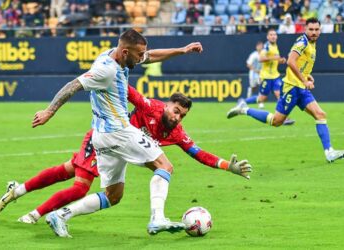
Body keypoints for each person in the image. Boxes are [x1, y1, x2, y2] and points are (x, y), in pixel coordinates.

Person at [26, 29, 252, 237]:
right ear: (125, 52)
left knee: (113, 196)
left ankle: (60, 215)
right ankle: (157, 218)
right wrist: (49, 111)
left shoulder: (119, 57)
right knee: (165, 167)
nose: (142, 58)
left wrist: (182, 50)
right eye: (138, 54)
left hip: (103, 137)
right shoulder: (106, 70)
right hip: (119, 131)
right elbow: (73, 85)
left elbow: (151, 56)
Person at [0, 86, 252, 227]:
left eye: (182, 115)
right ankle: (35, 215)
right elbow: (128, 91)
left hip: (120, 153)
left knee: (80, 177)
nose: (177, 117)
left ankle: (16, 190)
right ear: (166, 105)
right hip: (104, 140)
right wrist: (111, 69)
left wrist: (225, 166)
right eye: (175, 111)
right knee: (80, 186)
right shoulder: (150, 106)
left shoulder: (176, 131)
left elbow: (198, 153)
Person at [226, 18, 344, 163]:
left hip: (301, 88)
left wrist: (307, 76)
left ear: (320, 30)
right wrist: (304, 80)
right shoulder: (303, 43)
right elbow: (290, 61)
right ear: (305, 29)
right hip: (292, 88)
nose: (314, 32)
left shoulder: (312, 44)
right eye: (311, 29)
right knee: (276, 121)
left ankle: (329, 152)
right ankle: (244, 109)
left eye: (316, 29)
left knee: (320, 114)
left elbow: (301, 64)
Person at [236, 28, 294, 125]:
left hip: (275, 76)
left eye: (274, 34)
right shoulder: (267, 46)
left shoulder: (275, 46)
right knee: (262, 98)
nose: (273, 36)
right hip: (266, 77)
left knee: (280, 96)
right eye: (271, 35)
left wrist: (280, 60)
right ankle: (243, 101)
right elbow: (261, 58)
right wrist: (274, 58)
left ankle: (285, 118)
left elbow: (274, 60)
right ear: (267, 37)